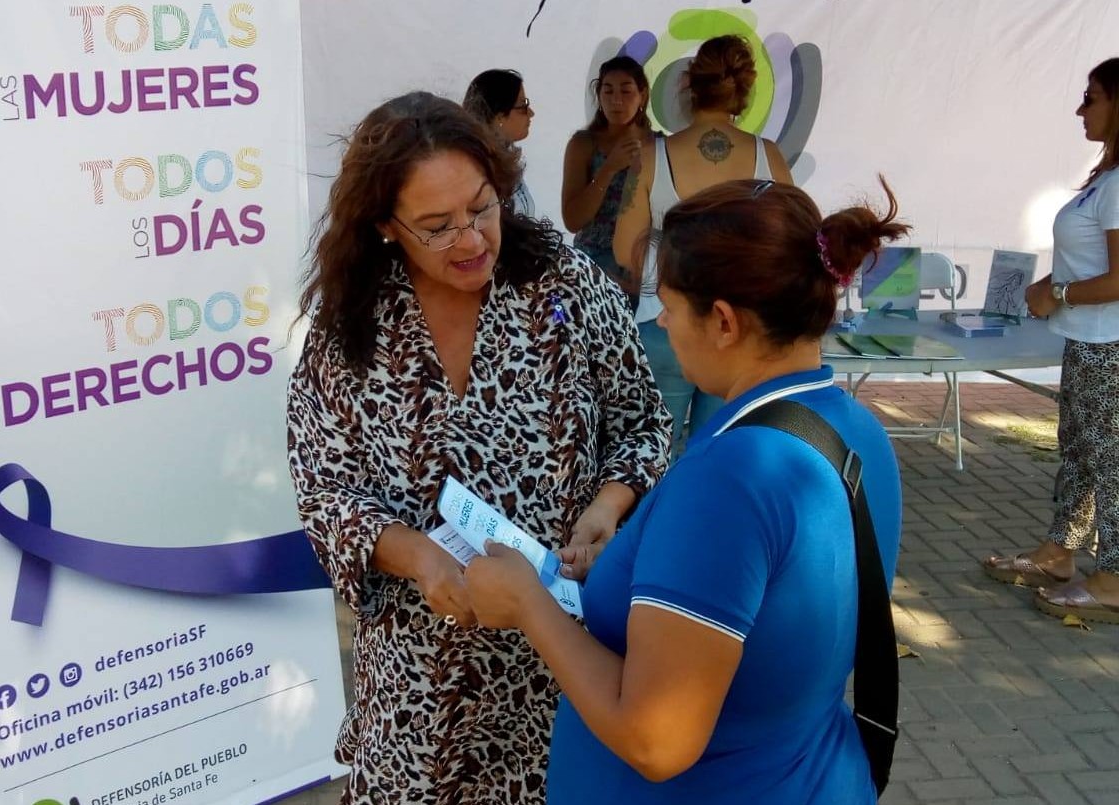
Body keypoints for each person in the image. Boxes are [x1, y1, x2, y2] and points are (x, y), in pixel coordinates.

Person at [466, 178, 907, 804]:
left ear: (723, 321)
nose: (664, 322)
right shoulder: (856, 427)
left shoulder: (734, 475)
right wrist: (631, 566)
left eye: (670, 305)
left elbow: (657, 740)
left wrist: (526, 604)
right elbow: (767, 610)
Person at [286, 91, 671, 804]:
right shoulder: (352, 327)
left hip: (564, 661)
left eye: (482, 208)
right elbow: (325, 490)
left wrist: (606, 508)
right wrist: (417, 556)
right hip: (419, 683)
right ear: (385, 225)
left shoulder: (564, 286)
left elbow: (644, 424)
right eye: (437, 227)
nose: (470, 240)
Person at [983, 57, 1119, 624]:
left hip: (1109, 348)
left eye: (1091, 97)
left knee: (1110, 460)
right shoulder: (1106, 179)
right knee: (1080, 451)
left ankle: (1112, 578)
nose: (1080, 109)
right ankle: (1059, 551)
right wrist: (1049, 287)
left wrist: (1058, 293)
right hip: (1087, 341)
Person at [613, 34, 794, 453]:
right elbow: (791, 249)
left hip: (665, 320)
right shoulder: (769, 157)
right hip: (742, 330)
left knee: (650, 454)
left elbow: (624, 250)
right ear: (744, 91)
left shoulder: (652, 156)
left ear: (689, 86)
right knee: (722, 456)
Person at [561, 56, 655, 306]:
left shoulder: (659, 145)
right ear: (598, 94)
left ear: (643, 95)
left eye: (626, 91)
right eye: (608, 90)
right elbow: (572, 220)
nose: (616, 100)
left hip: (645, 269)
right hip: (592, 268)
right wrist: (609, 168)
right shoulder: (583, 144)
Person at [464, 68, 538, 217]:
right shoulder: (478, 170)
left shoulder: (503, 160)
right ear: (498, 116)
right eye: (523, 106)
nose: (531, 113)